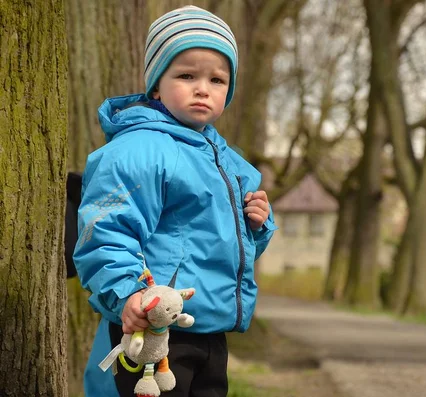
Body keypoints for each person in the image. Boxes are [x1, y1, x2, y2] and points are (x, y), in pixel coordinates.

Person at [73, 5, 277, 397]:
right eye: (186, 75)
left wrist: (257, 224)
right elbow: (106, 228)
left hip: (210, 328)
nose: (203, 88)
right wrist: (129, 293)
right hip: (153, 324)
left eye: (217, 80)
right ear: (156, 85)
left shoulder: (230, 164)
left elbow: (225, 246)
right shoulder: (140, 150)